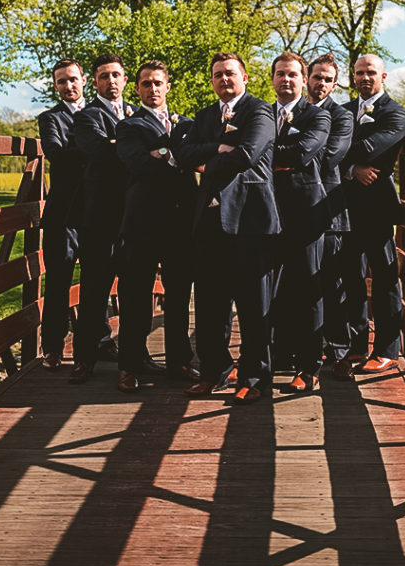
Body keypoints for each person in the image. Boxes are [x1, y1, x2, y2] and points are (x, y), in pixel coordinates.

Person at [173, 52, 280, 404]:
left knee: (252, 305)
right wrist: (217, 146)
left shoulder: (260, 111)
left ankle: (253, 376)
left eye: (230, 74)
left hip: (249, 222)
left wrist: (209, 160)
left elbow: (249, 154)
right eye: (217, 74)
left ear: (245, 77)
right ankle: (213, 371)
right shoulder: (204, 116)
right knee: (208, 304)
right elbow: (184, 154)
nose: (224, 80)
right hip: (208, 222)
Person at [114, 60, 198, 391]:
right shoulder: (129, 127)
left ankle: (178, 361)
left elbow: (191, 154)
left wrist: (164, 153)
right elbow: (137, 163)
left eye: (158, 83)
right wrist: (176, 156)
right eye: (146, 83)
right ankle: (129, 365)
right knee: (135, 294)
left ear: (168, 87)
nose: (153, 89)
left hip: (180, 221)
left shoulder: (187, 124)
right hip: (142, 221)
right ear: (137, 89)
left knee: (178, 295)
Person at [68, 53, 138, 384]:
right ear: (94, 82)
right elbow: (96, 150)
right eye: (103, 76)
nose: (111, 80)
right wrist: (134, 149)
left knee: (135, 291)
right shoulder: (86, 117)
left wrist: (121, 146)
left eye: (116, 75)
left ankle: (134, 358)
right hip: (99, 219)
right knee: (94, 291)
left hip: (135, 217)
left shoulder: (139, 113)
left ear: (126, 80)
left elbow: (159, 149)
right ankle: (84, 360)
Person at [341, 53, 405, 373]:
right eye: (359, 73)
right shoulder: (342, 111)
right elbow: (335, 152)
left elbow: (373, 148)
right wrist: (352, 168)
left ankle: (386, 349)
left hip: (377, 208)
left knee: (384, 278)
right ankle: (356, 345)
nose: (364, 77)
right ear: (352, 77)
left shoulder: (396, 114)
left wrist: (341, 151)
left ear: (383, 77)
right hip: (342, 208)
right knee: (351, 278)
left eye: (371, 72)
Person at [271, 52, 331, 393]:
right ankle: (275, 356)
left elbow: (303, 152)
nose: (286, 80)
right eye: (280, 74)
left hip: (306, 212)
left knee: (308, 288)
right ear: (272, 78)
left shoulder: (317, 116)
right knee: (272, 288)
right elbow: (250, 149)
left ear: (304, 78)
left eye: (293, 74)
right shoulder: (263, 113)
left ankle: (310, 368)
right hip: (268, 212)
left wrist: (267, 155)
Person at [305, 52, 355, 379]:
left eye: (327, 79)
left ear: (334, 84)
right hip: (292, 211)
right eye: (317, 76)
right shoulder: (292, 110)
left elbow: (333, 155)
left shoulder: (342, 117)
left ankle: (339, 353)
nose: (321, 83)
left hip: (329, 214)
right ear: (307, 77)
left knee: (332, 284)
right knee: (296, 285)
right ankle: (297, 349)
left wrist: (296, 149)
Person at [38, 59, 88, 370]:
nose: (68, 86)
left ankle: (101, 338)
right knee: (58, 281)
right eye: (61, 82)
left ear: (83, 79)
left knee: (100, 279)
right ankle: (53, 347)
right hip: (63, 213)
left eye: (72, 79)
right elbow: (55, 154)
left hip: (98, 210)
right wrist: (101, 148)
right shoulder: (50, 119)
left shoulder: (102, 112)